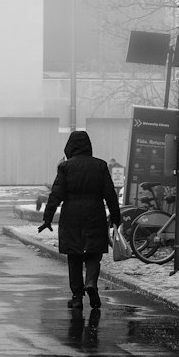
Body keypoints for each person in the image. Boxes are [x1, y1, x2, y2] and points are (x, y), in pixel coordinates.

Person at [38, 130, 120, 310]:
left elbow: (56, 194)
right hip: (95, 213)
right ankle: (91, 281)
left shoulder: (65, 167)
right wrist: (116, 218)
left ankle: (76, 297)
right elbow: (110, 194)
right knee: (93, 253)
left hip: (72, 215)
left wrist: (47, 218)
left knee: (74, 256)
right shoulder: (100, 166)